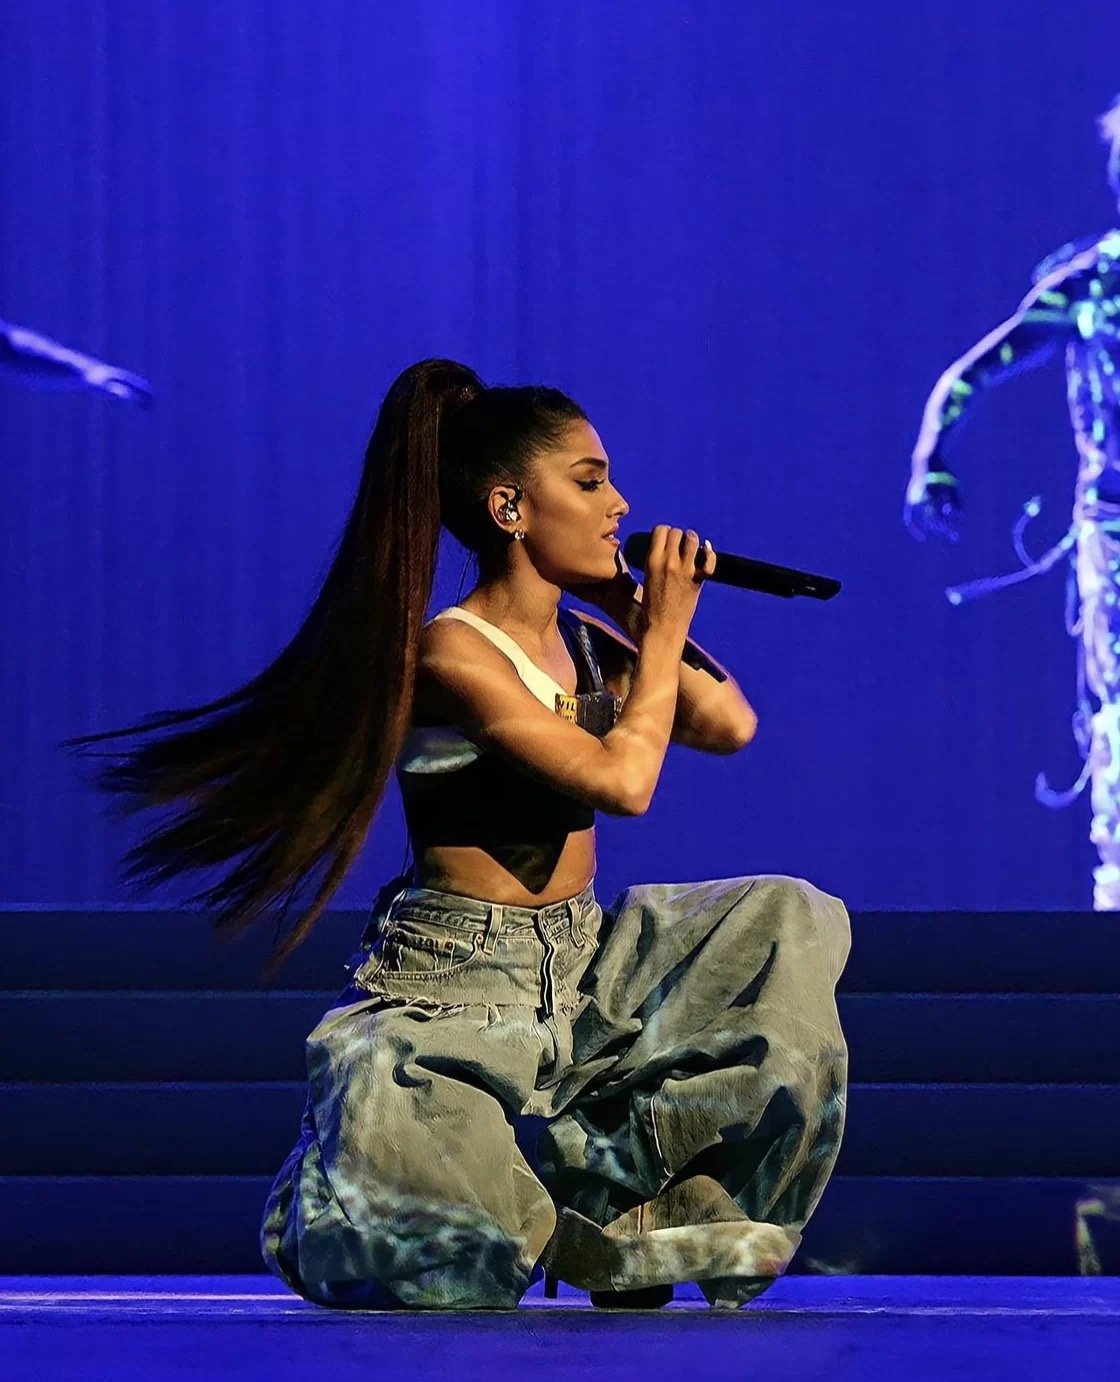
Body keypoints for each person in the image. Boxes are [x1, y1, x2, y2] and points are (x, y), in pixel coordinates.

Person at [67, 359, 849, 1310]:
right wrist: (668, 624)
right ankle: (429, 1187)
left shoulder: (591, 641)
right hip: (457, 983)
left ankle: (625, 1206)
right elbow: (622, 784)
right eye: (592, 480)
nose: (622, 505)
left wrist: (635, 620)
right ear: (510, 507)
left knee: (785, 919)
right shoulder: (455, 653)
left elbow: (730, 726)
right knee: (454, 1258)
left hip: (586, 964)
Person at [905, 95, 1120, 908]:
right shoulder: (1097, 280)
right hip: (1115, 529)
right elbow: (970, 372)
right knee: (1117, 716)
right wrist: (932, 460)